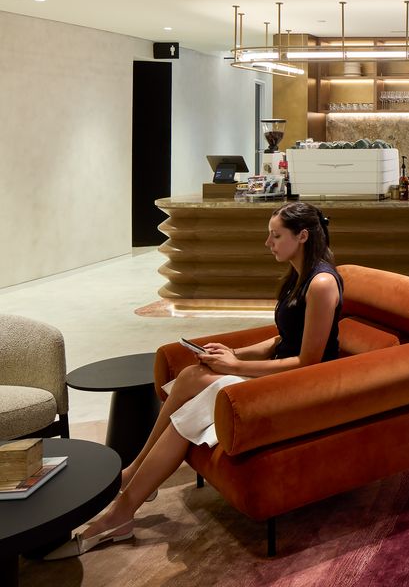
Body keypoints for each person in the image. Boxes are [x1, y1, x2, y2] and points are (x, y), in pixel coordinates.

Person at [47, 201, 342, 559]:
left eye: (276, 236)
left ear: (303, 236)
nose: (268, 243)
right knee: (191, 377)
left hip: (298, 387)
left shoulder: (321, 283)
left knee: (188, 406)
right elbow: (283, 338)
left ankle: (123, 508)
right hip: (278, 373)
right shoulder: (297, 276)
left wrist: (237, 366)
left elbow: (308, 361)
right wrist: (234, 353)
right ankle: (132, 479)